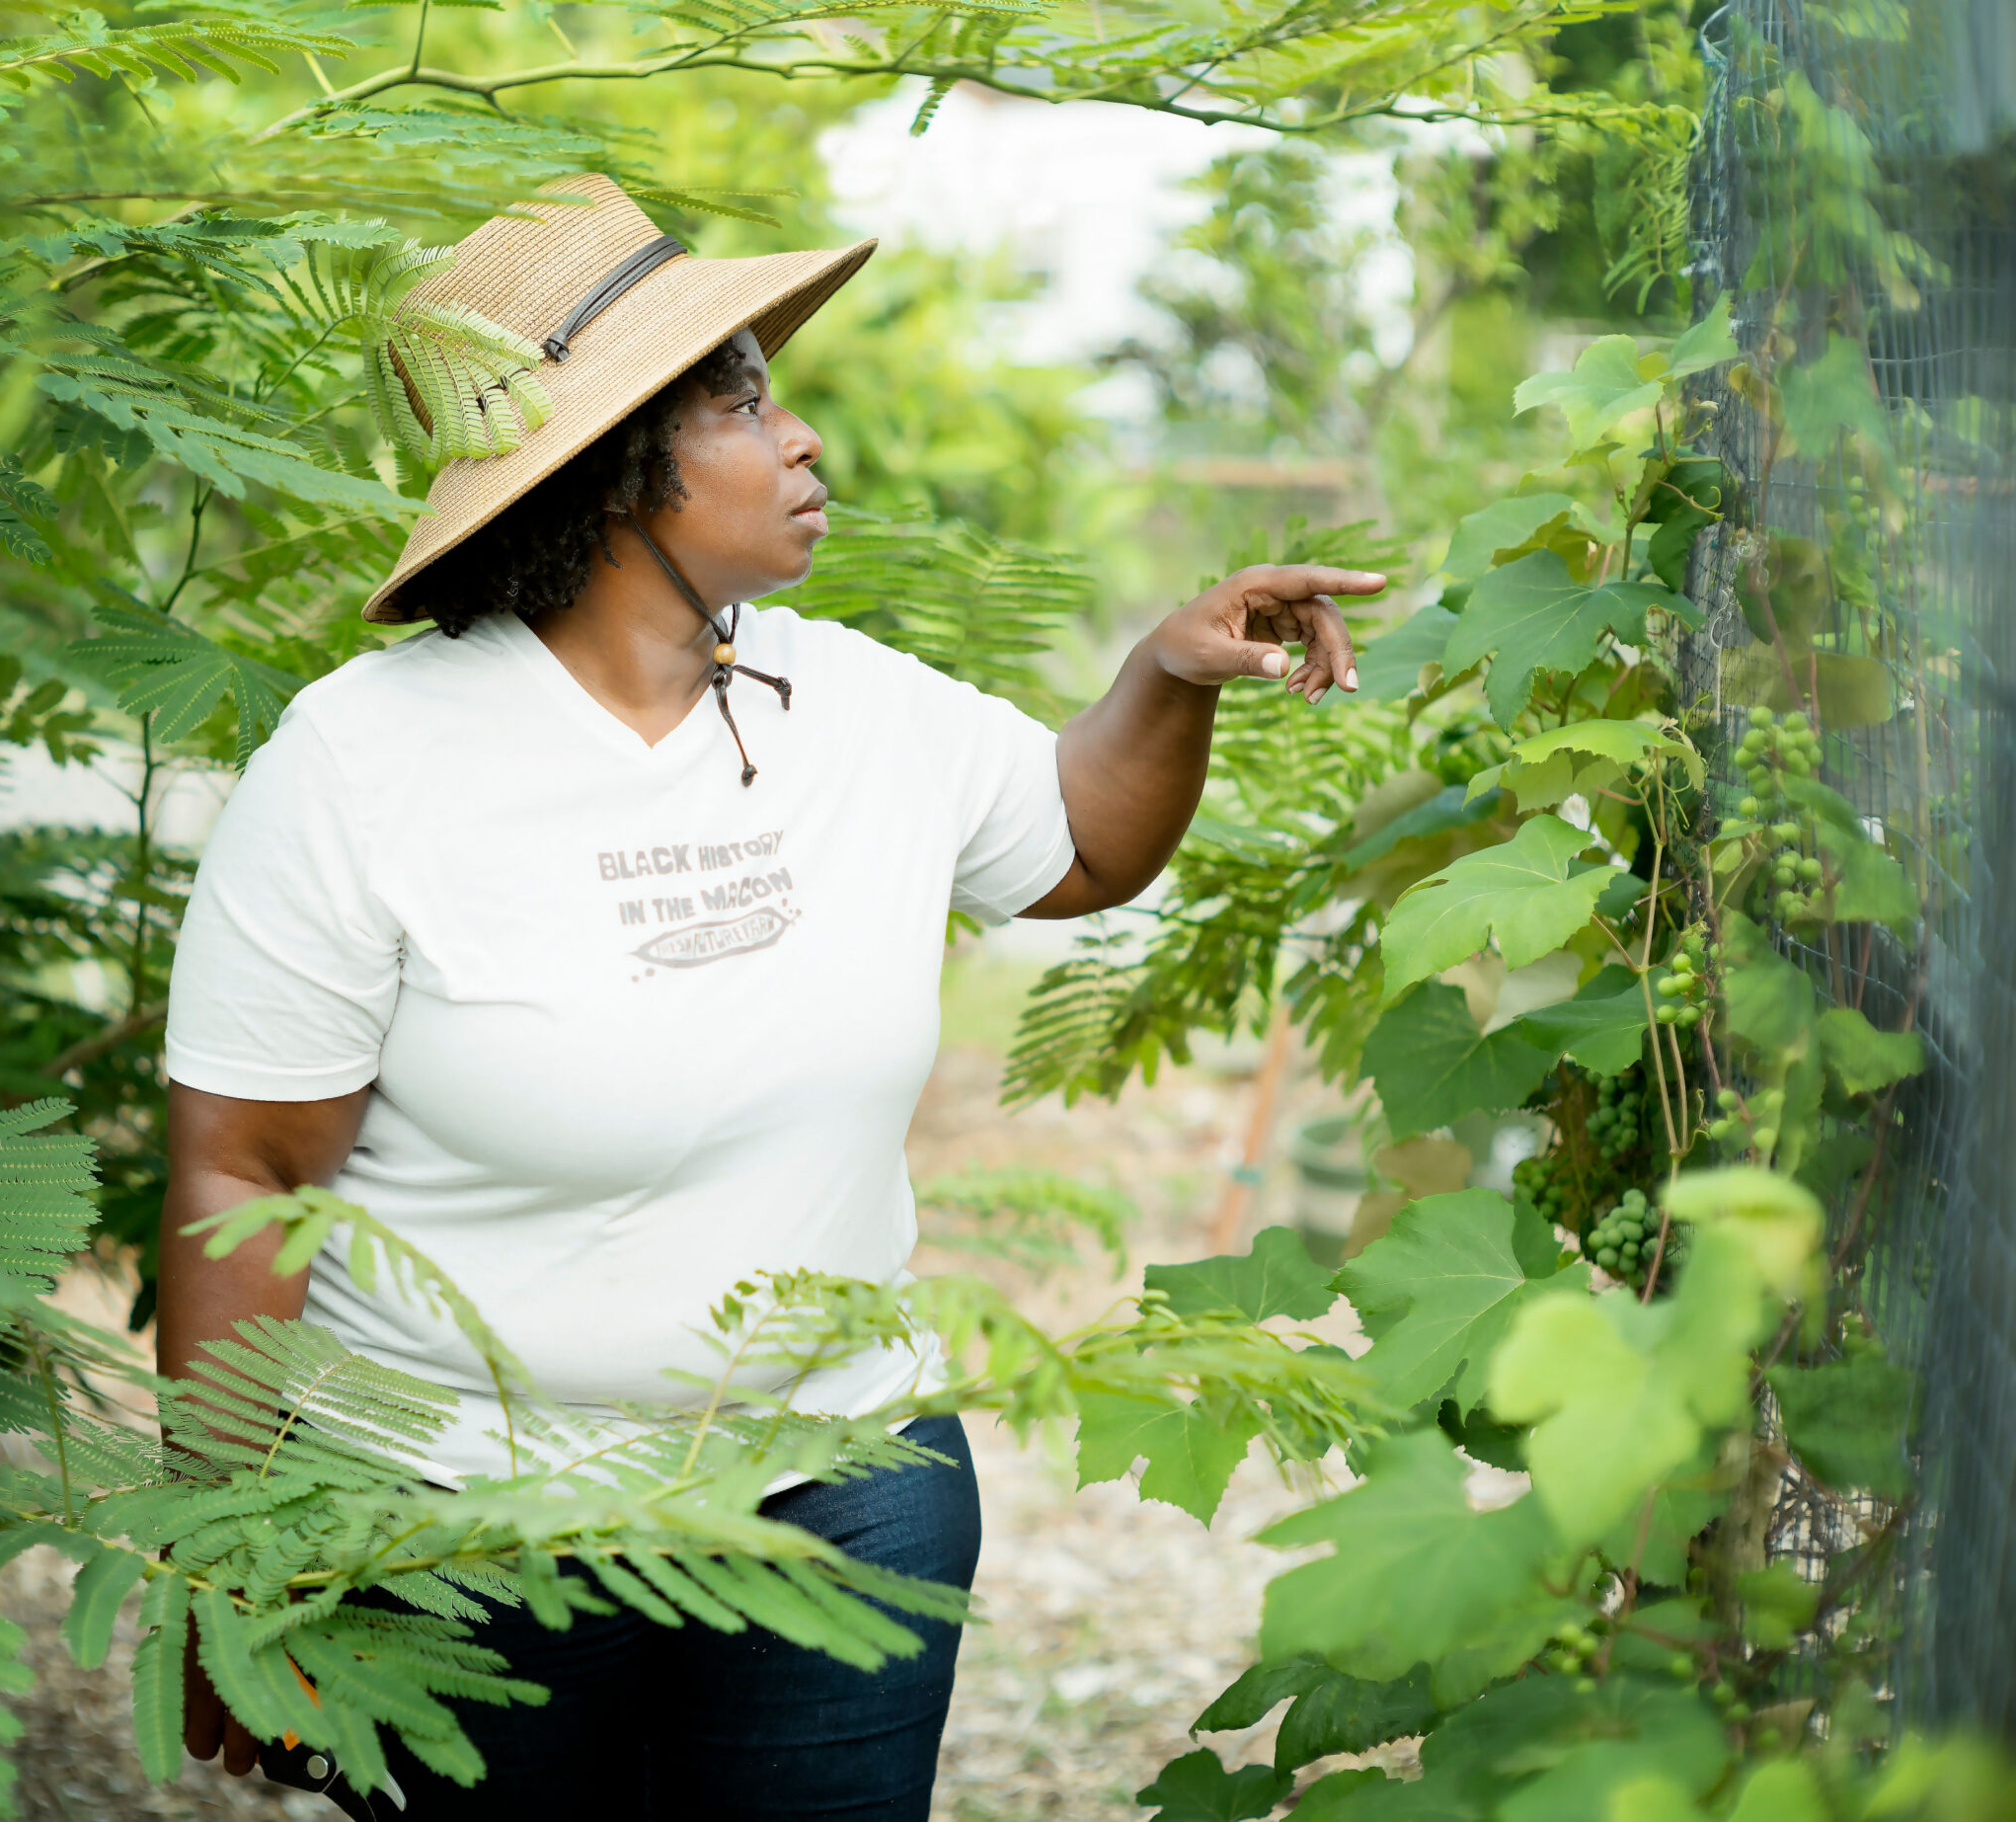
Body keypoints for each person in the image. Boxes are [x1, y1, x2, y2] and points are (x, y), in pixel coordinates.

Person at [158, 174, 1378, 1821]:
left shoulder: (854, 704)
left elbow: (1082, 846)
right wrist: (235, 1567)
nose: (799, 436)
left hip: (845, 1488)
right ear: (601, 468)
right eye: (739, 399)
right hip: (465, 1530)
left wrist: (1164, 674)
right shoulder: (364, 767)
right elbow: (245, 1173)